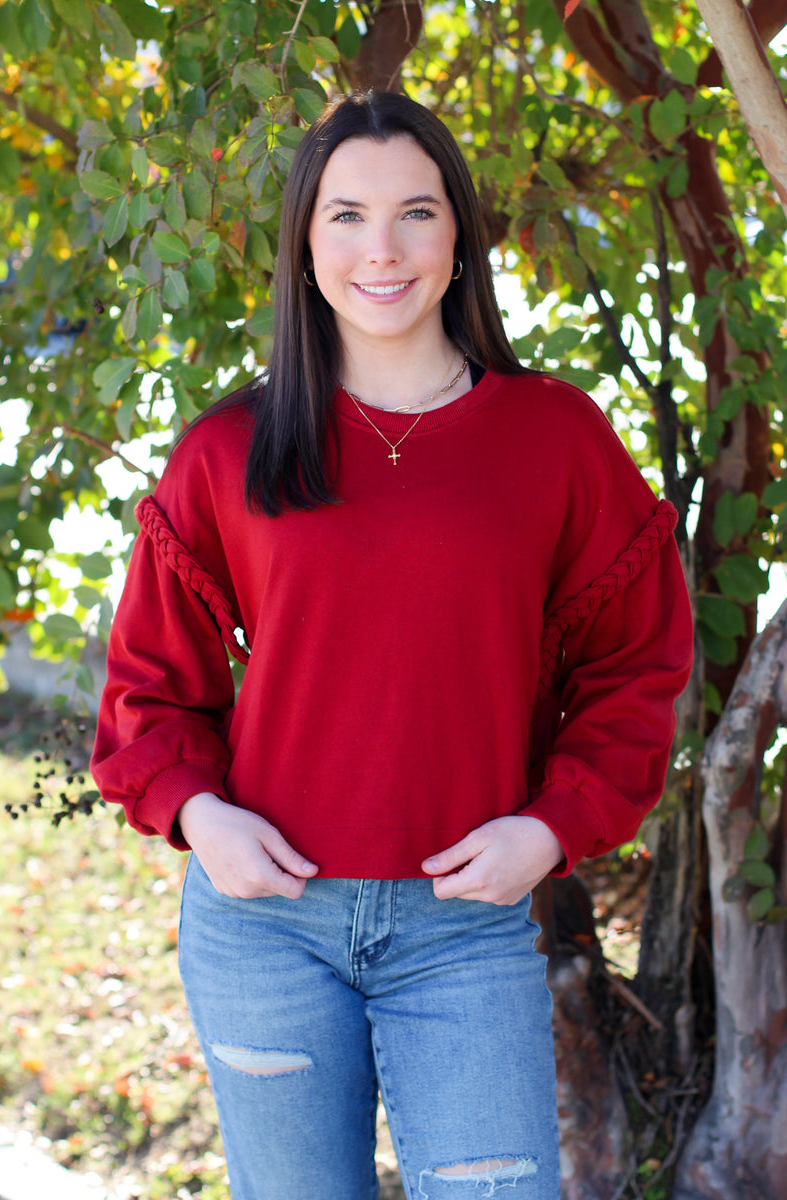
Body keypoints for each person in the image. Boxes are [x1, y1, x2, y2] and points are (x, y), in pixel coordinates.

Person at [91, 90, 693, 1200]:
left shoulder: (551, 439)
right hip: (264, 924)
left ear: (457, 234)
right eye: (345, 215)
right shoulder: (232, 451)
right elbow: (150, 687)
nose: (381, 248)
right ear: (303, 244)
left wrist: (551, 826)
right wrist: (198, 815)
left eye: (415, 212)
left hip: (461, 928)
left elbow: (635, 663)